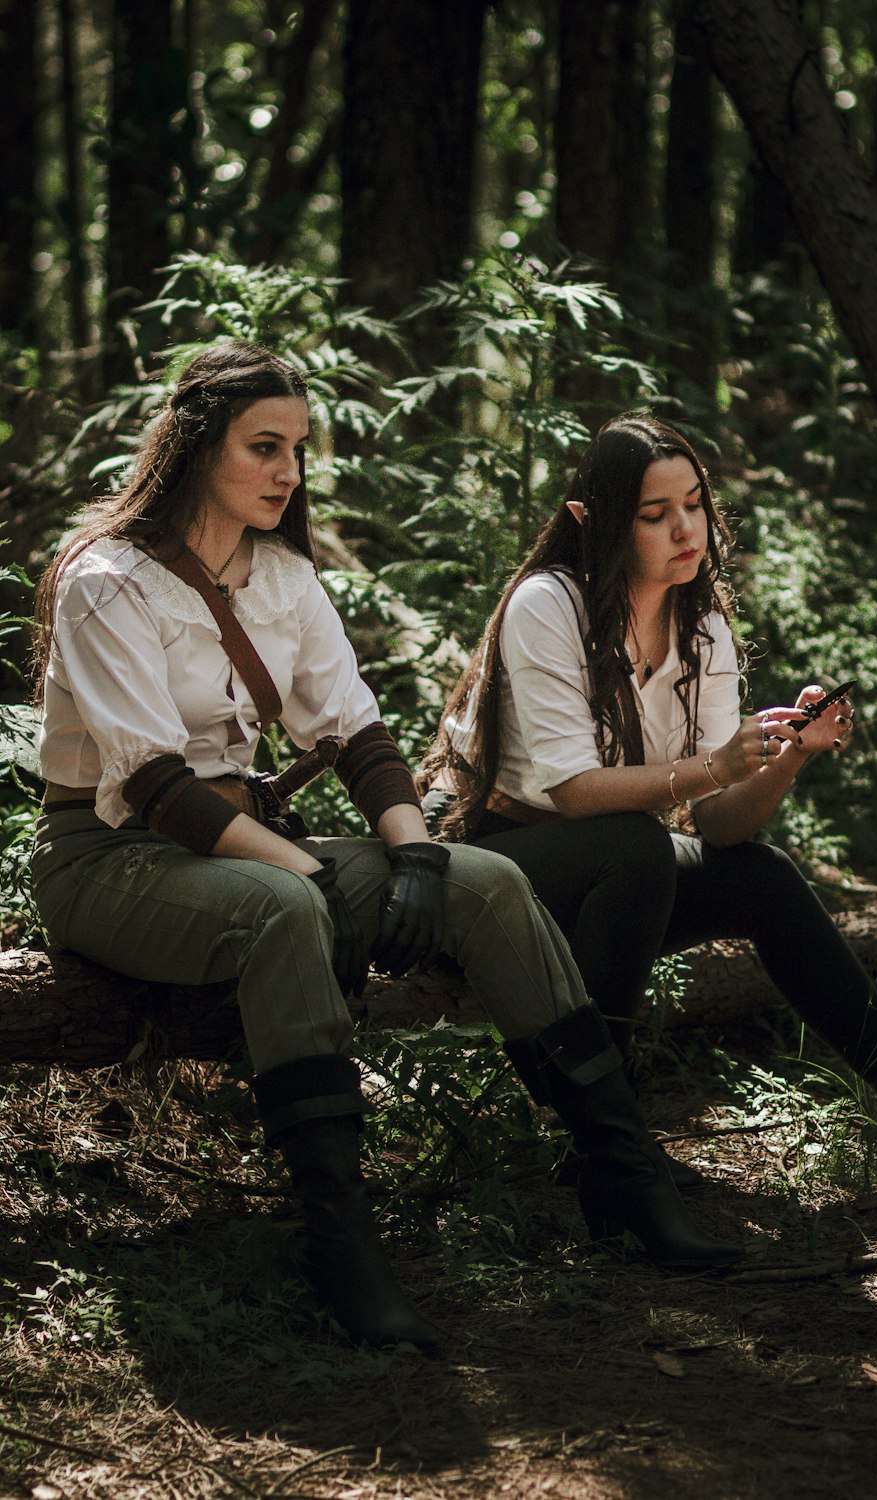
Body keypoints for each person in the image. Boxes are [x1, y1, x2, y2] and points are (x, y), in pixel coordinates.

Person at [30, 350, 747, 1359]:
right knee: (288, 910)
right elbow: (152, 785)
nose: (286, 472)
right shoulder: (105, 581)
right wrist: (314, 876)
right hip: (107, 858)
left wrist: (412, 860)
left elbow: (358, 738)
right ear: (198, 450)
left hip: (239, 845)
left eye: (297, 451)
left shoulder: (280, 577)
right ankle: (340, 1245)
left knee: (487, 881)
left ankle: (625, 1177)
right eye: (263, 448)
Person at [422, 410, 877, 1203]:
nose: (684, 529)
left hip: (618, 869)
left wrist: (786, 755)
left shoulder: (703, 626)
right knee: (635, 844)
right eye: (654, 515)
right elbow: (572, 791)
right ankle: (607, 1140)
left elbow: (721, 824)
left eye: (693, 503)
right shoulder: (547, 604)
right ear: (595, 523)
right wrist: (708, 766)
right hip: (497, 863)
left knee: (758, 873)